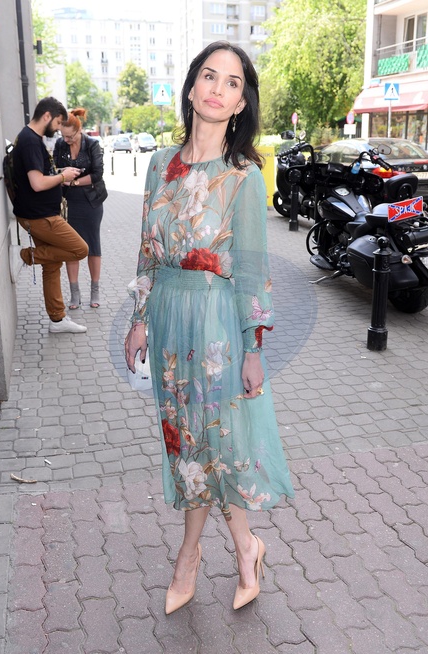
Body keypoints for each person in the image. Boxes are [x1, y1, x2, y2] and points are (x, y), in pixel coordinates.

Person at [124, 41, 294, 614]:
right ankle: (245, 549)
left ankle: (191, 557)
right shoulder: (159, 165)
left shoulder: (243, 175)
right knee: (185, 442)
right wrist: (138, 319)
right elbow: (147, 249)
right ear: (193, 87)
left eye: (232, 83)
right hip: (169, 320)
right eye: (209, 76)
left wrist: (253, 348)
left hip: (217, 324)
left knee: (216, 443)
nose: (218, 89)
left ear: (241, 102)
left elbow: (251, 271)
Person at [11, 96, 89, 333]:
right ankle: (24, 256)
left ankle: (57, 319)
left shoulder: (30, 138)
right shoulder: (30, 142)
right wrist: (63, 177)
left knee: (52, 264)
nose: (57, 129)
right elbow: (37, 183)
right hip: (40, 217)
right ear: (47, 116)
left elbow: (40, 175)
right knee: (80, 249)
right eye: (57, 123)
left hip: (38, 213)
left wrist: (60, 173)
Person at [53, 108, 107, 309]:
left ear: (79, 130)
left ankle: (95, 291)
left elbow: (98, 174)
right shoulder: (60, 144)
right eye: (63, 136)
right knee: (71, 248)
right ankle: (74, 294)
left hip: (91, 201)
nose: (66, 140)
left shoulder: (92, 144)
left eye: (70, 136)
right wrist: (62, 174)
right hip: (68, 203)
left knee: (93, 245)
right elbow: (53, 169)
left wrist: (73, 182)